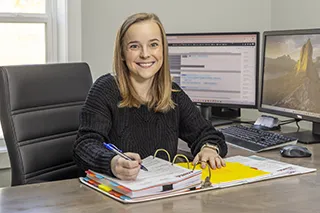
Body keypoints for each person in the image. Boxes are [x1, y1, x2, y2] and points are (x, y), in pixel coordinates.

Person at [73, 12, 228, 181]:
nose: (145, 54)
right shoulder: (105, 89)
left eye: (153, 44)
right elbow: (84, 145)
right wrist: (113, 162)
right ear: (123, 54)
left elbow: (207, 134)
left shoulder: (172, 93)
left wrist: (209, 148)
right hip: (117, 197)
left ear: (163, 49)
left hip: (161, 194)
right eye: (134, 46)